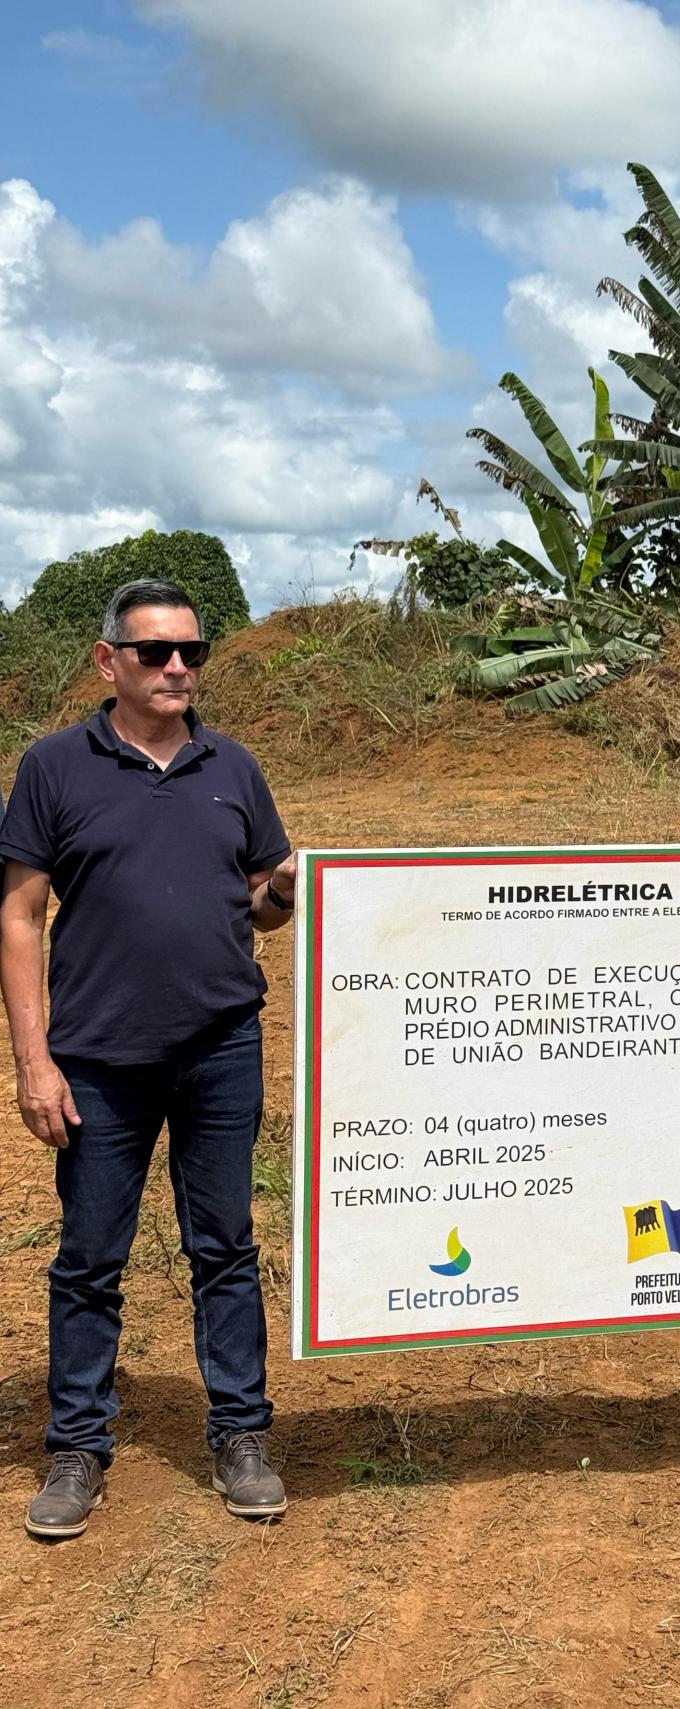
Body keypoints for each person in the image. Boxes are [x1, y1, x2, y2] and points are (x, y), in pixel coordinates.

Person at [0, 579, 297, 1538]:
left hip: (222, 1049)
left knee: (227, 1248)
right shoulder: (53, 767)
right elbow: (19, 915)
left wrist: (285, 891)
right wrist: (33, 1062)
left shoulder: (234, 767)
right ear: (107, 661)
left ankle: (241, 1433)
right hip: (97, 1060)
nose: (177, 667)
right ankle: (79, 1446)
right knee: (89, 1258)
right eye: (155, 652)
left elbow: (258, 902)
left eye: (192, 652)